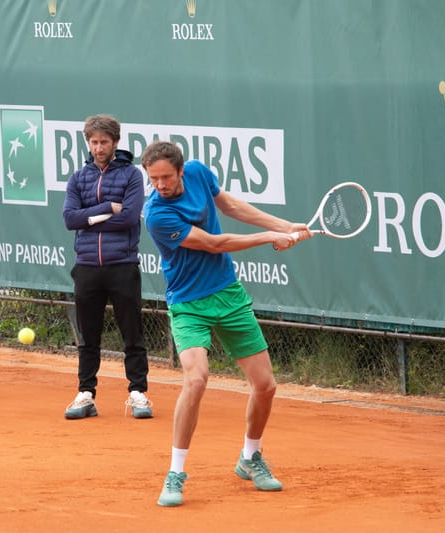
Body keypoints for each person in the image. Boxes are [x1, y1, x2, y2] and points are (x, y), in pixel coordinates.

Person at [140, 140, 311, 506]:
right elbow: (214, 244)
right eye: (153, 179)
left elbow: (230, 206)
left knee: (265, 386)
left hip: (228, 295)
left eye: (166, 177)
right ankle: (175, 473)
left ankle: (250, 458)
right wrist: (269, 237)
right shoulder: (156, 214)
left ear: (182, 171)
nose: (160, 185)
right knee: (197, 378)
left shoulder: (200, 173)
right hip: (188, 303)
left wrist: (282, 225)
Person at [62, 115, 153, 420]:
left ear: (115, 142)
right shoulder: (78, 178)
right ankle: (86, 394)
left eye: (103, 142)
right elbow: (69, 219)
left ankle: (138, 393)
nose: (98, 148)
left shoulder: (131, 176)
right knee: (89, 335)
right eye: (93, 142)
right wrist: (104, 209)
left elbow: (128, 218)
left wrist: (88, 217)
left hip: (122, 264)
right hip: (87, 266)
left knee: (132, 333)